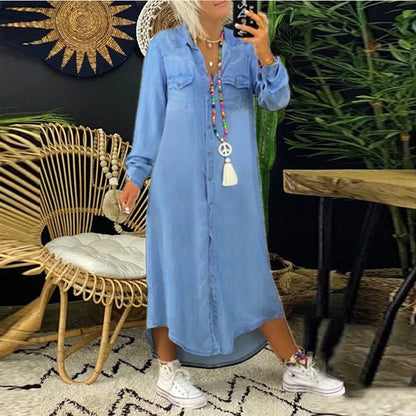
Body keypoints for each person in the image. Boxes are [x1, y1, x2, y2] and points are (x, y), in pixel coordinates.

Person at [119, 0, 345, 409]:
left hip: (234, 185)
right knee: (174, 269)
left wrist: (265, 53)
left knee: (249, 268)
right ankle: (168, 370)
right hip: (177, 183)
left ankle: (294, 366)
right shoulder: (165, 48)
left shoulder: (245, 48)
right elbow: (151, 116)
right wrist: (136, 175)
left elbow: (275, 100)